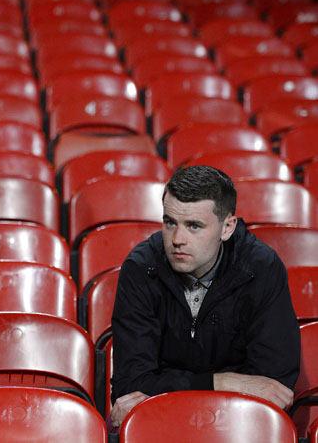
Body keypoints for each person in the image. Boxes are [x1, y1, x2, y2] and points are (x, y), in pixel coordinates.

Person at [110, 166, 300, 427]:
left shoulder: (260, 268)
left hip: (238, 425)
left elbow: (274, 387)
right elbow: (130, 385)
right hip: (161, 425)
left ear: (227, 228)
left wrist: (167, 387)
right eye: (170, 223)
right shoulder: (141, 268)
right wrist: (223, 382)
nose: (177, 239)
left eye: (194, 226)